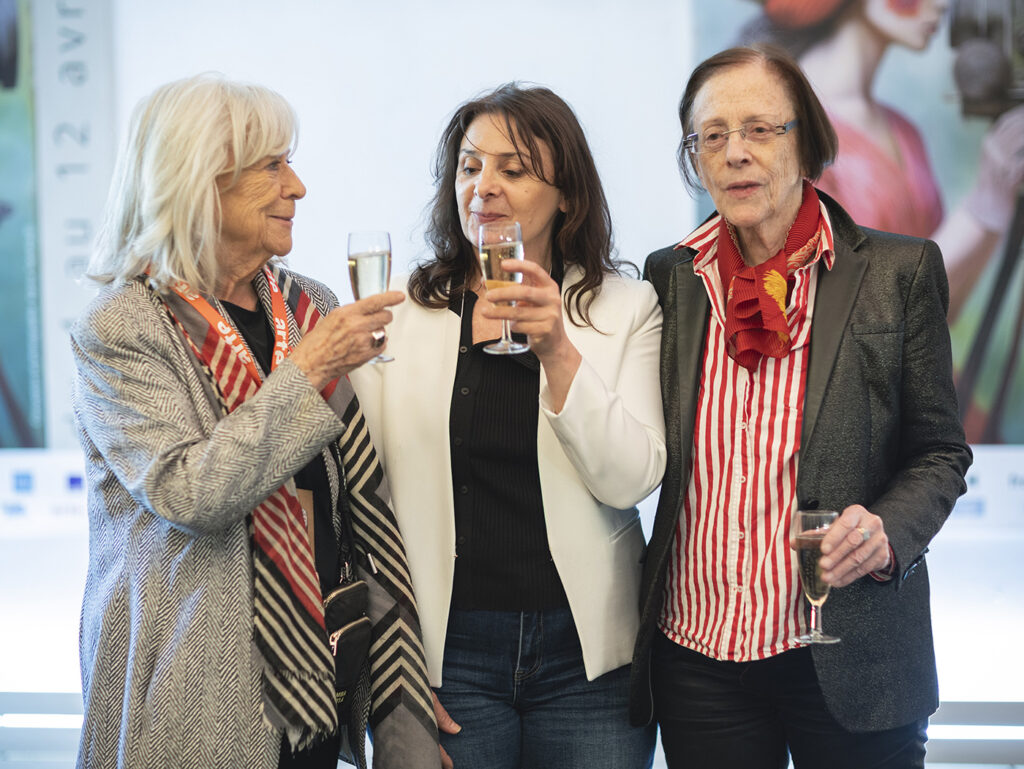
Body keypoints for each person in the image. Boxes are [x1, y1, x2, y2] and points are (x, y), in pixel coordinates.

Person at [71, 74, 439, 769]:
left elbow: (360, 508)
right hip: (192, 694)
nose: (297, 187)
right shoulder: (122, 326)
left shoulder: (308, 303)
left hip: (318, 685)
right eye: (272, 166)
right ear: (199, 182)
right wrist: (310, 368)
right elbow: (192, 493)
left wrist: (400, 695)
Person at [629, 45, 972, 769]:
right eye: (711, 136)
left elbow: (941, 452)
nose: (735, 153)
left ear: (806, 141)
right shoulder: (670, 278)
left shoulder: (899, 272)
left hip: (853, 648)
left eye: (760, 129)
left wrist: (887, 531)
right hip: (699, 653)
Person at [350, 83, 665, 769]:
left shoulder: (626, 307)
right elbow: (360, 494)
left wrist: (557, 349)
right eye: (470, 166)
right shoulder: (401, 313)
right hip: (447, 652)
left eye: (513, 169)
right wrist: (391, 672)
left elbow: (631, 480)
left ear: (567, 195)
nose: (483, 186)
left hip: (590, 657)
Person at [738, 0, 1024, 441]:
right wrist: (980, 208)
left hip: (919, 399)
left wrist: (993, 207)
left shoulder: (903, 131)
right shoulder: (784, 132)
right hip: (847, 417)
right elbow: (845, 319)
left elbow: (935, 313)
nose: (941, 4)